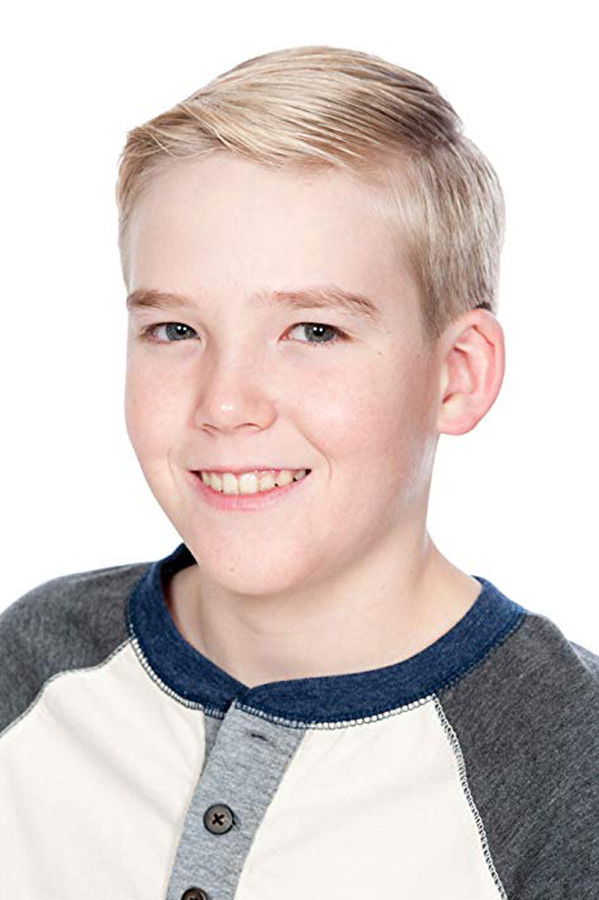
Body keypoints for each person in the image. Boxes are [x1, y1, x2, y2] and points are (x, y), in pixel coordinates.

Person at [0, 44, 597, 900]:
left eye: (314, 331)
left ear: (455, 374)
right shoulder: (32, 671)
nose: (225, 404)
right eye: (175, 330)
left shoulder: (569, 770)